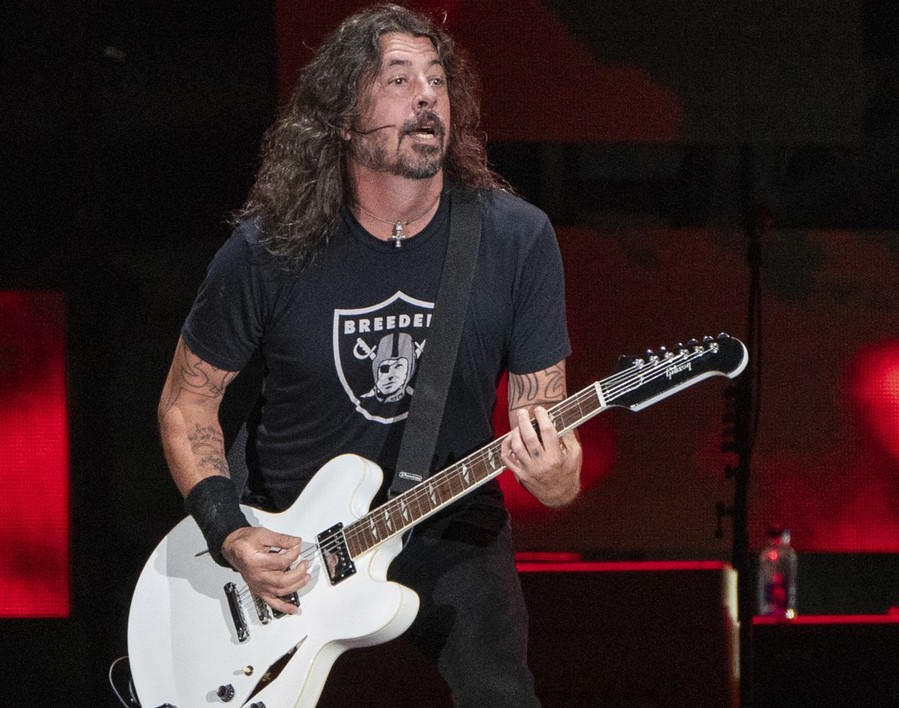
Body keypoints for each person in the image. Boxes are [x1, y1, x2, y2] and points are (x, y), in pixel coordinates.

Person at [156, 4, 582, 705]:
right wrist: (231, 534)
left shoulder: (515, 240)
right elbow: (187, 399)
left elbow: (552, 456)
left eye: (438, 80)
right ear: (344, 119)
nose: (426, 96)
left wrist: (556, 473)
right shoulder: (271, 250)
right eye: (398, 79)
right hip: (290, 536)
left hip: (452, 521)